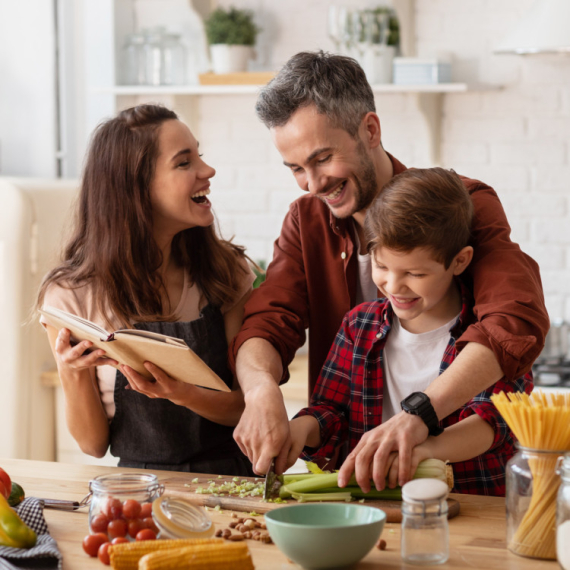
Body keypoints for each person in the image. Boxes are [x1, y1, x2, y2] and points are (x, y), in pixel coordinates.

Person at [229, 51, 549, 483]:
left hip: (462, 481)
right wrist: (261, 390)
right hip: (358, 483)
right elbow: (267, 323)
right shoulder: (305, 220)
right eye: (296, 168)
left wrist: (420, 417)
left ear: (371, 130)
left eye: (322, 158)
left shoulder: (463, 205)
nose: (313, 183)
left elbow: (513, 320)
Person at [37, 104, 255, 476]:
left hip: (231, 481)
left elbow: (246, 408)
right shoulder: (70, 299)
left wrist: (181, 393)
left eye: (199, 155)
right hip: (137, 490)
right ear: (135, 188)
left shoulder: (226, 272)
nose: (208, 170)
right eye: (184, 163)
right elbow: (93, 444)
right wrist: (71, 372)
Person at [288, 167, 532, 496]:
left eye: (415, 273)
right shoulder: (358, 325)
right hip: (380, 508)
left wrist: (422, 451)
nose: (393, 285)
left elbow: (495, 422)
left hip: (473, 506)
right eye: (382, 265)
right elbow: (331, 413)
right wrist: (299, 430)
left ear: (459, 261)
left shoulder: (487, 334)